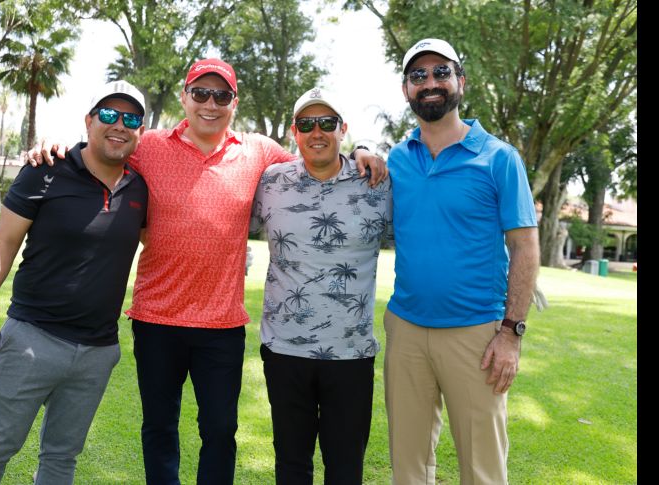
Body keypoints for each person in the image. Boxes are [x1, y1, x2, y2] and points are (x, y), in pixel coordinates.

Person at [26, 58, 387, 485]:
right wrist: (53, 145)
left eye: (221, 95)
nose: (210, 104)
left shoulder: (258, 153)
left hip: (222, 323)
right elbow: (105, 146)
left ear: (234, 103)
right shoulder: (149, 146)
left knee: (220, 431)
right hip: (156, 317)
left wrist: (362, 148)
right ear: (184, 97)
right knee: (159, 426)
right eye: (200, 93)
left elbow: (316, 152)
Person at [0, 80, 148, 485]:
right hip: (31, 341)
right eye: (109, 115)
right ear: (89, 121)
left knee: (62, 458)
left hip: (97, 352)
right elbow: (2, 243)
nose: (119, 125)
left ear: (140, 131)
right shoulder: (44, 170)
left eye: (131, 118)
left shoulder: (141, 187)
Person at [384, 38, 540, 485]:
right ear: (406, 90)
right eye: (418, 76)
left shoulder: (499, 159)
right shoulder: (397, 159)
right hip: (406, 329)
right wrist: (361, 153)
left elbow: (526, 248)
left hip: (477, 335)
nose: (429, 83)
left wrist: (511, 334)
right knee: (407, 466)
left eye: (440, 73)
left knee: (482, 469)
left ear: (460, 82)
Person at [250, 87, 392, 484]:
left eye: (327, 123)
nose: (317, 132)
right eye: (306, 124)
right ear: (294, 132)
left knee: (345, 468)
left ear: (343, 129)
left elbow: (416, 240)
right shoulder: (271, 183)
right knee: (291, 466)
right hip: (284, 350)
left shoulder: (377, 183)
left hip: (351, 354)